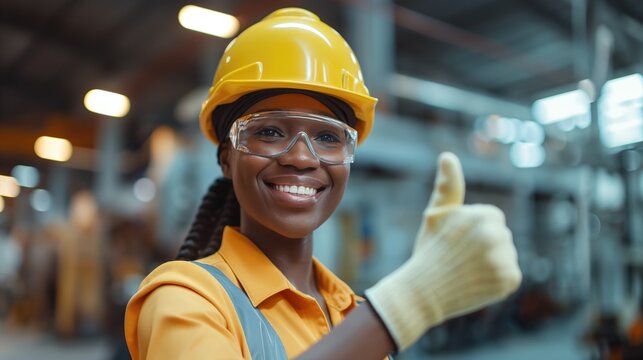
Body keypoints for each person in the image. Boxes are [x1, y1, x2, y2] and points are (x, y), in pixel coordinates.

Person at [124, 7, 522, 359]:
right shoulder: (184, 299)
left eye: (329, 138)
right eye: (269, 132)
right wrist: (407, 305)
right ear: (227, 158)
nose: (301, 157)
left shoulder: (350, 309)